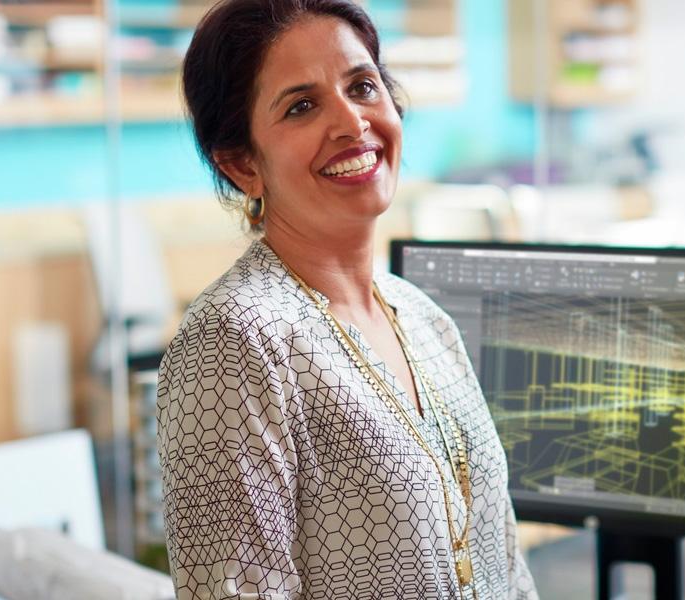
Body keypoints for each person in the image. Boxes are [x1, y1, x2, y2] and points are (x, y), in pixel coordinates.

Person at [155, 1, 540, 598]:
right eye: (302, 106)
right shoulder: (234, 342)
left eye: (363, 86)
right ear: (240, 165)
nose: (352, 122)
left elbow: (506, 566)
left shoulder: (423, 318)